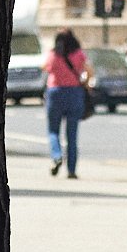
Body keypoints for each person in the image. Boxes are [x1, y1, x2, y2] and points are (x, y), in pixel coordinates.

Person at [42, 28, 93, 179]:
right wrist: (85, 83)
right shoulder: (79, 54)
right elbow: (90, 71)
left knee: (53, 131)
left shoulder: (53, 54)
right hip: (74, 94)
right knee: (72, 135)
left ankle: (56, 156)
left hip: (55, 93)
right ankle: (71, 170)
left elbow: (45, 67)